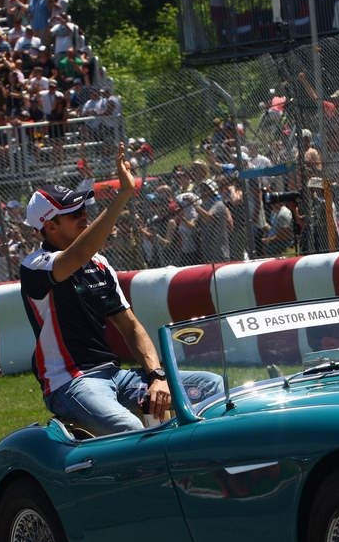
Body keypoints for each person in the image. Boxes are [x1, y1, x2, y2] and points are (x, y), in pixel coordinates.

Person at [19, 144, 222, 436]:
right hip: (71, 384)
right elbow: (77, 255)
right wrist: (123, 195)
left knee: (211, 386)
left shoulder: (99, 264)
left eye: (83, 208)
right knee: (131, 429)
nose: (84, 215)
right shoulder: (36, 266)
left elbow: (131, 328)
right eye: (74, 213)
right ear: (49, 226)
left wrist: (158, 376)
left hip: (115, 375)